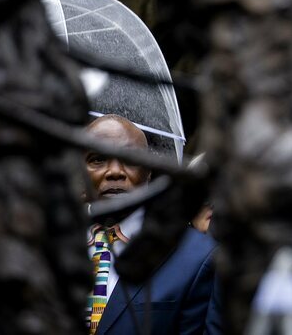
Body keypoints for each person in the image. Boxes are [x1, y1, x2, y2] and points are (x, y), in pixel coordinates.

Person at [84, 115, 220, 335]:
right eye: (98, 159)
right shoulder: (48, 244)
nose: (115, 171)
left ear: (149, 170)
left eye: (130, 158)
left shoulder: (197, 257)